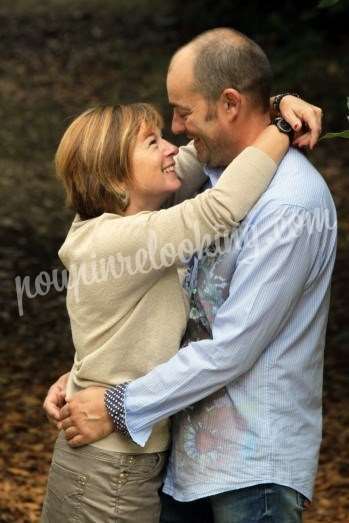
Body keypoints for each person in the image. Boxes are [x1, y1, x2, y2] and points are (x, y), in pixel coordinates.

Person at [44, 29, 332, 523]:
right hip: (161, 458)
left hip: (248, 469)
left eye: (181, 114)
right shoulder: (156, 215)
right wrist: (278, 120)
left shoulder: (287, 204)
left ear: (229, 103)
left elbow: (229, 347)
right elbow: (216, 207)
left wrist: (274, 108)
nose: (176, 134)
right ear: (117, 175)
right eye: (156, 136)